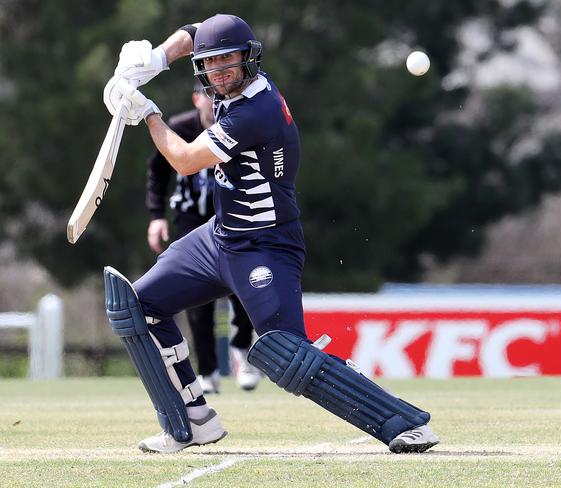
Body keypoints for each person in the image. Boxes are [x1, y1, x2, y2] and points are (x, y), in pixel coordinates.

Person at [102, 13, 438, 454]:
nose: (220, 74)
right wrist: (157, 58)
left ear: (250, 60)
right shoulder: (226, 77)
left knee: (285, 354)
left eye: (230, 64)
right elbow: (195, 33)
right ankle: (192, 421)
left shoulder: (256, 110)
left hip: (266, 245)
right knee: (138, 308)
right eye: (212, 66)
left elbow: (183, 159)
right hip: (218, 238)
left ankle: (403, 422)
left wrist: (146, 112)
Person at [145, 83, 262, 393]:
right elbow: (158, 171)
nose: (215, 102)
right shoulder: (181, 127)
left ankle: (243, 352)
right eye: (209, 96)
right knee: (197, 299)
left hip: (232, 214)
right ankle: (207, 371)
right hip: (191, 217)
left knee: (244, 285)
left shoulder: (236, 123)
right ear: (197, 99)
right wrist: (156, 215)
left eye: (219, 96)